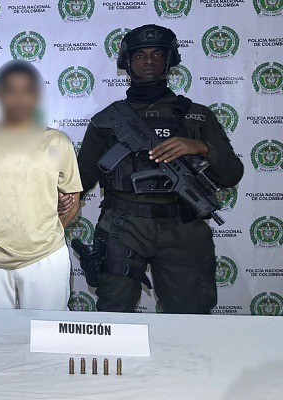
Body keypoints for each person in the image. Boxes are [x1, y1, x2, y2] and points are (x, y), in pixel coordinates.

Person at [77, 25, 243, 314]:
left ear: (169, 60)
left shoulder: (197, 116)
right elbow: (80, 179)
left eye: (157, 54)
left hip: (183, 227)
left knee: (190, 318)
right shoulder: (107, 120)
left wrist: (200, 147)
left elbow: (231, 175)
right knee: (114, 314)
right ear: (127, 62)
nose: (149, 61)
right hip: (123, 226)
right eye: (140, 55)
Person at [0, 60, 83, 310]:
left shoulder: (55, 143)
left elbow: (73, 198)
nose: (19, 98)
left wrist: (48, 233)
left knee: (46, 330)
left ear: (37, 95)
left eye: (27, 90)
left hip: (46, 258)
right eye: (11, 90)